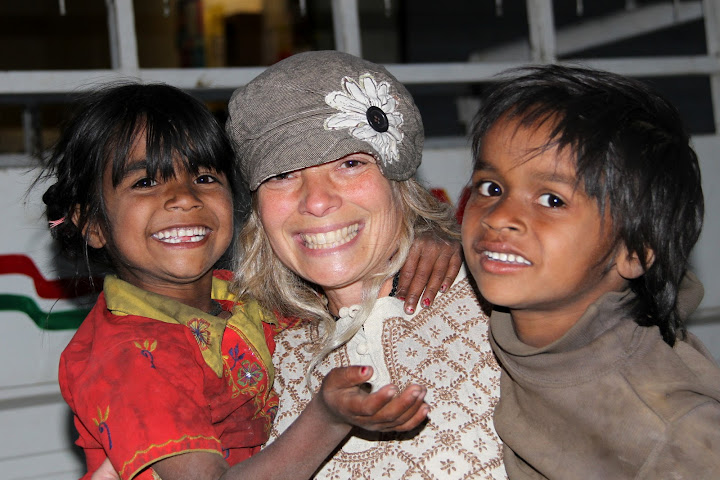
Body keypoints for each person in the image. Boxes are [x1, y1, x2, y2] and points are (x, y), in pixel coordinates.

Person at [41, 82, 459, 480]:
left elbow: (340, 277)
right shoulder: (130, 356)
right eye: (145, 182)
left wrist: (422, 236)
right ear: (93, 224)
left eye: (204, 178)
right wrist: (327, 418)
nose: (184, 198)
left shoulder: (239, 297)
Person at [226, 50, 505, 479]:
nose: (317, 200)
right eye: (282, 175)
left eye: (350, 163)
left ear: (397, 183)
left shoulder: (496, 303)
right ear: (257, 210)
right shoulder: (257, 356)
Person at [461, 64, 720, 478]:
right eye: (491, 188)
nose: (498, 217)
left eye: (552, 200)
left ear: (634, 251)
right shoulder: (514, 308)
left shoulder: (671, 433)